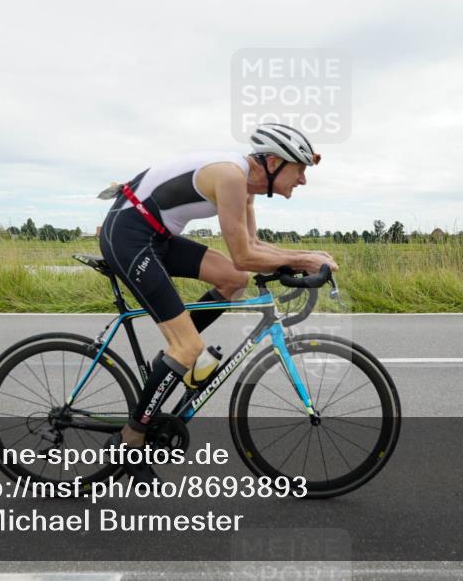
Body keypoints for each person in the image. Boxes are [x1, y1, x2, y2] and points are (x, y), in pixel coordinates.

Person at [97, 123, 338, 480]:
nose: (302, 179)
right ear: (273, 162)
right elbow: (243, 254)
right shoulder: (230, 177)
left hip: (154, 235)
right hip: (129, 235)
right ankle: (130, 440)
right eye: (299, 169)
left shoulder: (245, 188)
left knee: (232, 280)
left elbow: (252, 249)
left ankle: (175, 354)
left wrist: (305, 255)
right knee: (190, 347)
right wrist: (303, 261)